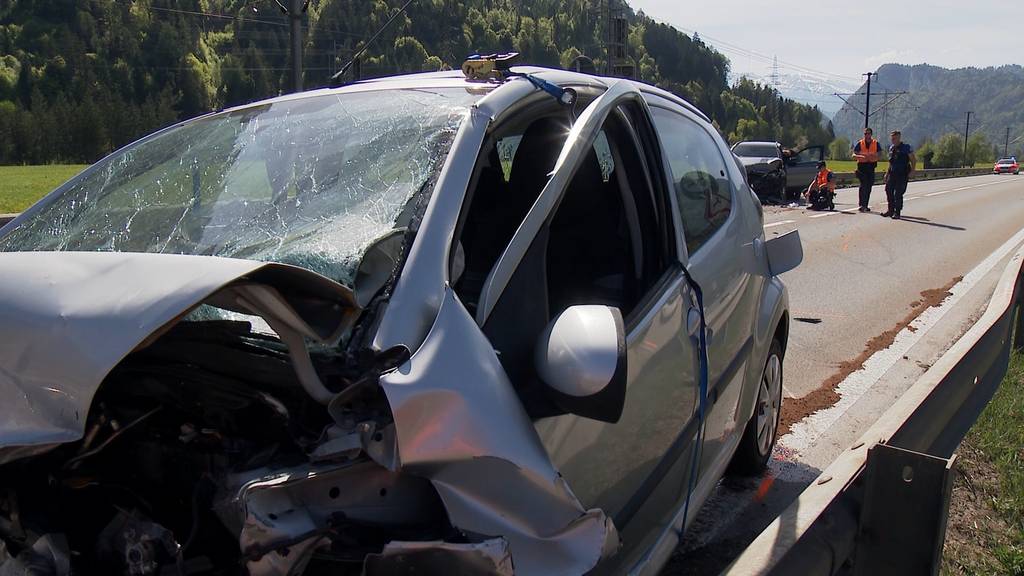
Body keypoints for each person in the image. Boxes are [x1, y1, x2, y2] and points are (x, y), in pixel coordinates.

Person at [882, 130, 916, 219]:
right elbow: (891, 162)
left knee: (898, 193)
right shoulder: (891, 148)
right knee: (888, 190)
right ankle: (890, 210)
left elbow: (913, 159)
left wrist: (913, 170)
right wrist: (886, 173)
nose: (893, 140)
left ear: (899, 138)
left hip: (902, 174)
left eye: (895, 138)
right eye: (892, 138)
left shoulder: (906, 147)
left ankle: (897, 212)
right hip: (892, 173)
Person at [852, 127, 881, 212]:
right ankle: (862, 205)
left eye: (868, 133)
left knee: (869, 186)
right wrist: (862, 157)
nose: (867, 135)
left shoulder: (876, 143)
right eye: (865, 134)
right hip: (862, 167)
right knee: (863, 185)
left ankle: (865, 205)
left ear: (871, 134)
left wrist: (873, 156)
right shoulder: (860, 143)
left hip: (871, 167)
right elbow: (853, 154)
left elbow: (880, 154)